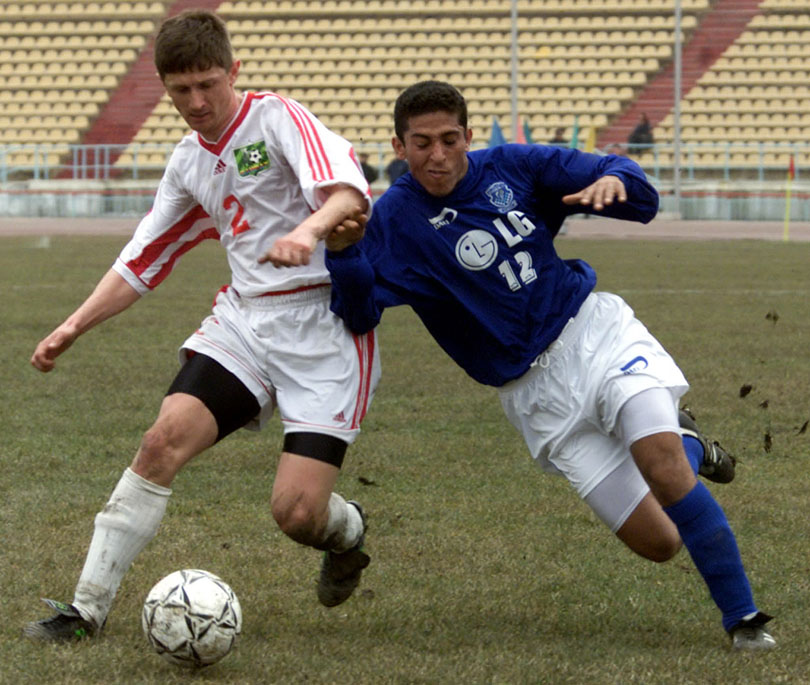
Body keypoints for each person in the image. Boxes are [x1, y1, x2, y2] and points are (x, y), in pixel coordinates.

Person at [271, 80, 776, 651]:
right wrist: (344, 254)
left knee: (657, 463)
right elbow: (359, 315)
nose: (437, 155)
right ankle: (688, 443)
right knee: (659, 542)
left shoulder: (515, 166)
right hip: (535, 397)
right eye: (421, 143)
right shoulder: (392, 222)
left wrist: (617, 181)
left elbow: (635, 191)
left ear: (467, 134)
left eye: (448, 139)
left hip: (594, 336)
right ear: (398, 146)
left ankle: (744, 621)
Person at [23, 9, 379, 643]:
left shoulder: (276, 119)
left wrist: (307, 231)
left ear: (233, 72)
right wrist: (73, 326)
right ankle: (86, 609)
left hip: (323, 328)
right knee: (161, 442)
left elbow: (349, 193)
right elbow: (142, 257)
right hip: (245, 321)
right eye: (180, 90)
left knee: (297, 514)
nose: (196, 101)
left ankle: (346, 531)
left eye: (208, 84)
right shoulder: (188, 162)